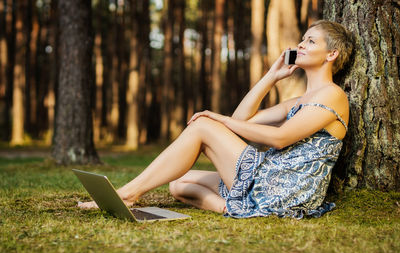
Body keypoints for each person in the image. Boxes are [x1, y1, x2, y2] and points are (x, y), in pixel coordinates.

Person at [79, 20, 354, 219]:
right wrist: (271, 76)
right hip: (269, 177)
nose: (300, 45)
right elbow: (241, 119)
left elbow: (279, 139)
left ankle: (126, 194)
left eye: (311, 41)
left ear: (331, 54)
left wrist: (214, 118)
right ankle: (234, 207)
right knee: (179, 183)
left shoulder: (333, 95)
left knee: (202, 126)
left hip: (284, 188)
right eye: (302, 39)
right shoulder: (298, 101)